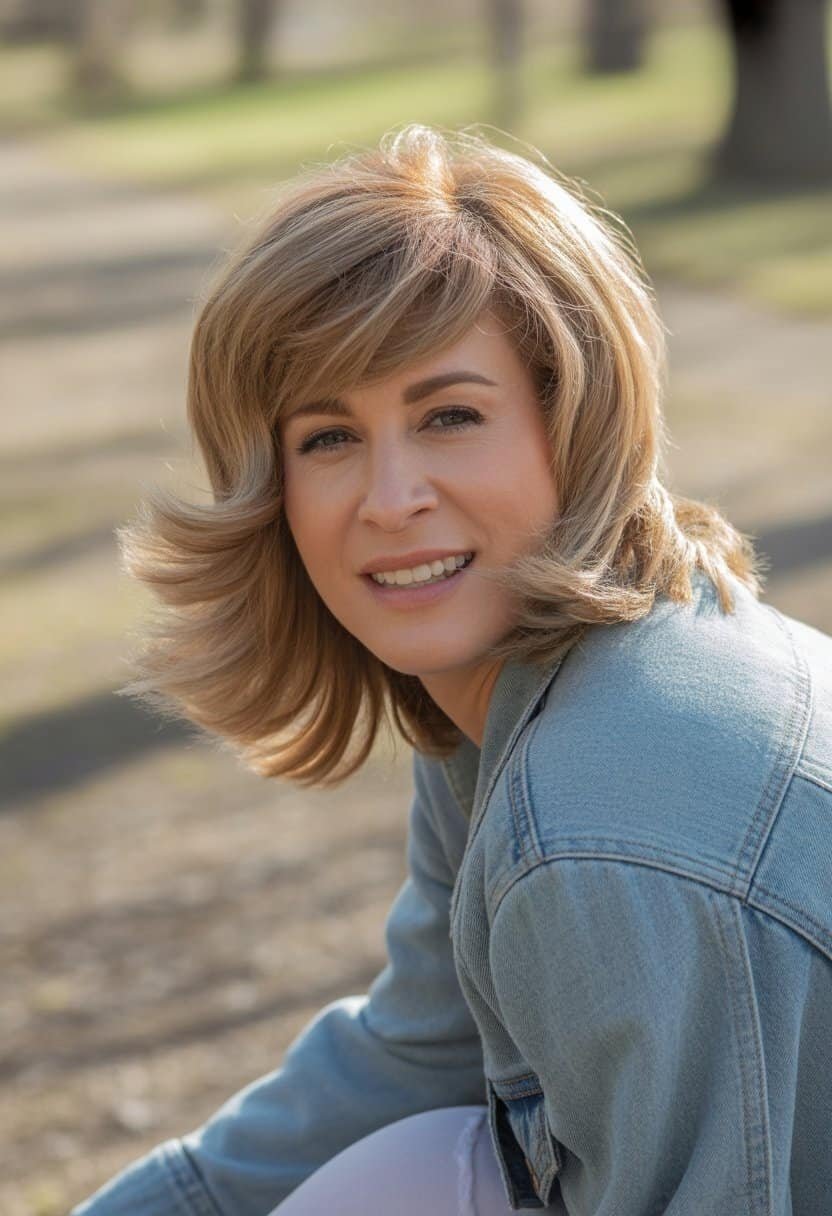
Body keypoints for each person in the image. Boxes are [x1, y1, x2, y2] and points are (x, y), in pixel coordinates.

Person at [71, 124, 832, 1216]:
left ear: (574, 426)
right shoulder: (519, 696)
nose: (390, 499)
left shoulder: (595, 836)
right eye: (328, 437)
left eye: (450, 417)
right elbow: (413, 1062)